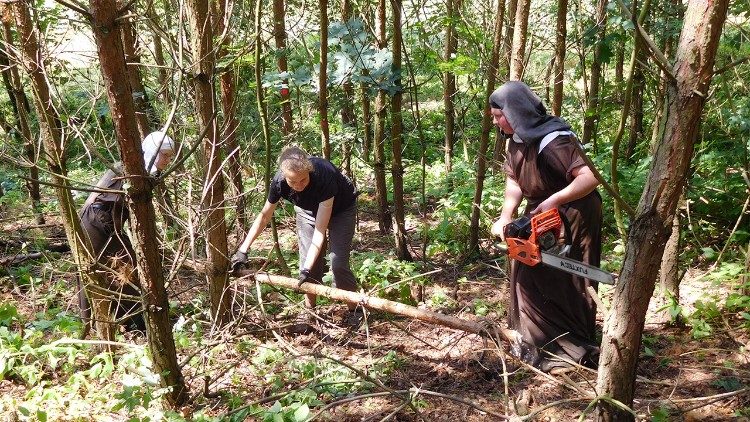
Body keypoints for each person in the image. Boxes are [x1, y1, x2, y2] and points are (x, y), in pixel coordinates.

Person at [488, 81, 602, 373]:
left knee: (566, 276)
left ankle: (572, 347)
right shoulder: (514, 141)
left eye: (499, 114)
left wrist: (556, 200)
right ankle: (536, 342)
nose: (495, 120)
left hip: (574, 210)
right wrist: (506, 215)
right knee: (527, 271)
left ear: (516, 112)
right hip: (540, 211)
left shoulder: (554, 140)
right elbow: (514, 180)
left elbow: (589, 177)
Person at [231, 146, 359, 329]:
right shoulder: (278, 183)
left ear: (309, 170)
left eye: (303, 179)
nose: (299, 186)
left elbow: (320, 230)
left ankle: (354, 310)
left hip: (340, 210)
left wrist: (306, 268)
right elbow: (264, 216)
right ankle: (309, 312)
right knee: (309, 267)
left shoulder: (324, 175)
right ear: (284, 176)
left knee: (337, 263)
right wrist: (243, 250)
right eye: (293, 181)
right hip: (307, 212)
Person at [78, 131, 176, 332]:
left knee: (123, 267)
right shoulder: (131, 169)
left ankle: (125, 321)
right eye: (163, 154)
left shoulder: (143, 171)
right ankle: (125, 323)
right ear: (150, 151)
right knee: (108, 269)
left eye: (170, 155)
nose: (167, 159)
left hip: (106, 222)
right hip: (95, 221)